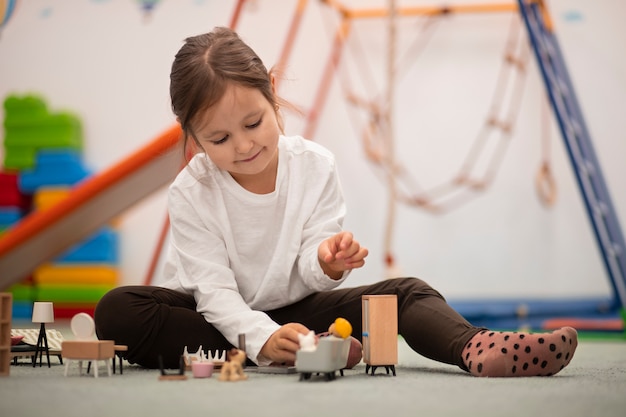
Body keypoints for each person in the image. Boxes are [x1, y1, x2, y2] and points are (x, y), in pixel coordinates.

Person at [94, 26, 578, 378]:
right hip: (217, 318)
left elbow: (310, 262)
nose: (243, 146)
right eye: (219, 138)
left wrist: (327, 262)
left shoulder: (314, 164)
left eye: (254, 123)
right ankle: (299, 349)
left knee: (404, 292)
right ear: (194, 139)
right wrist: (262, 338)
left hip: (299, 308)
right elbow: (215, 291)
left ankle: (477, 347)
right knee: (118, 311)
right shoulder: (192, 191)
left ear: (272, 95)